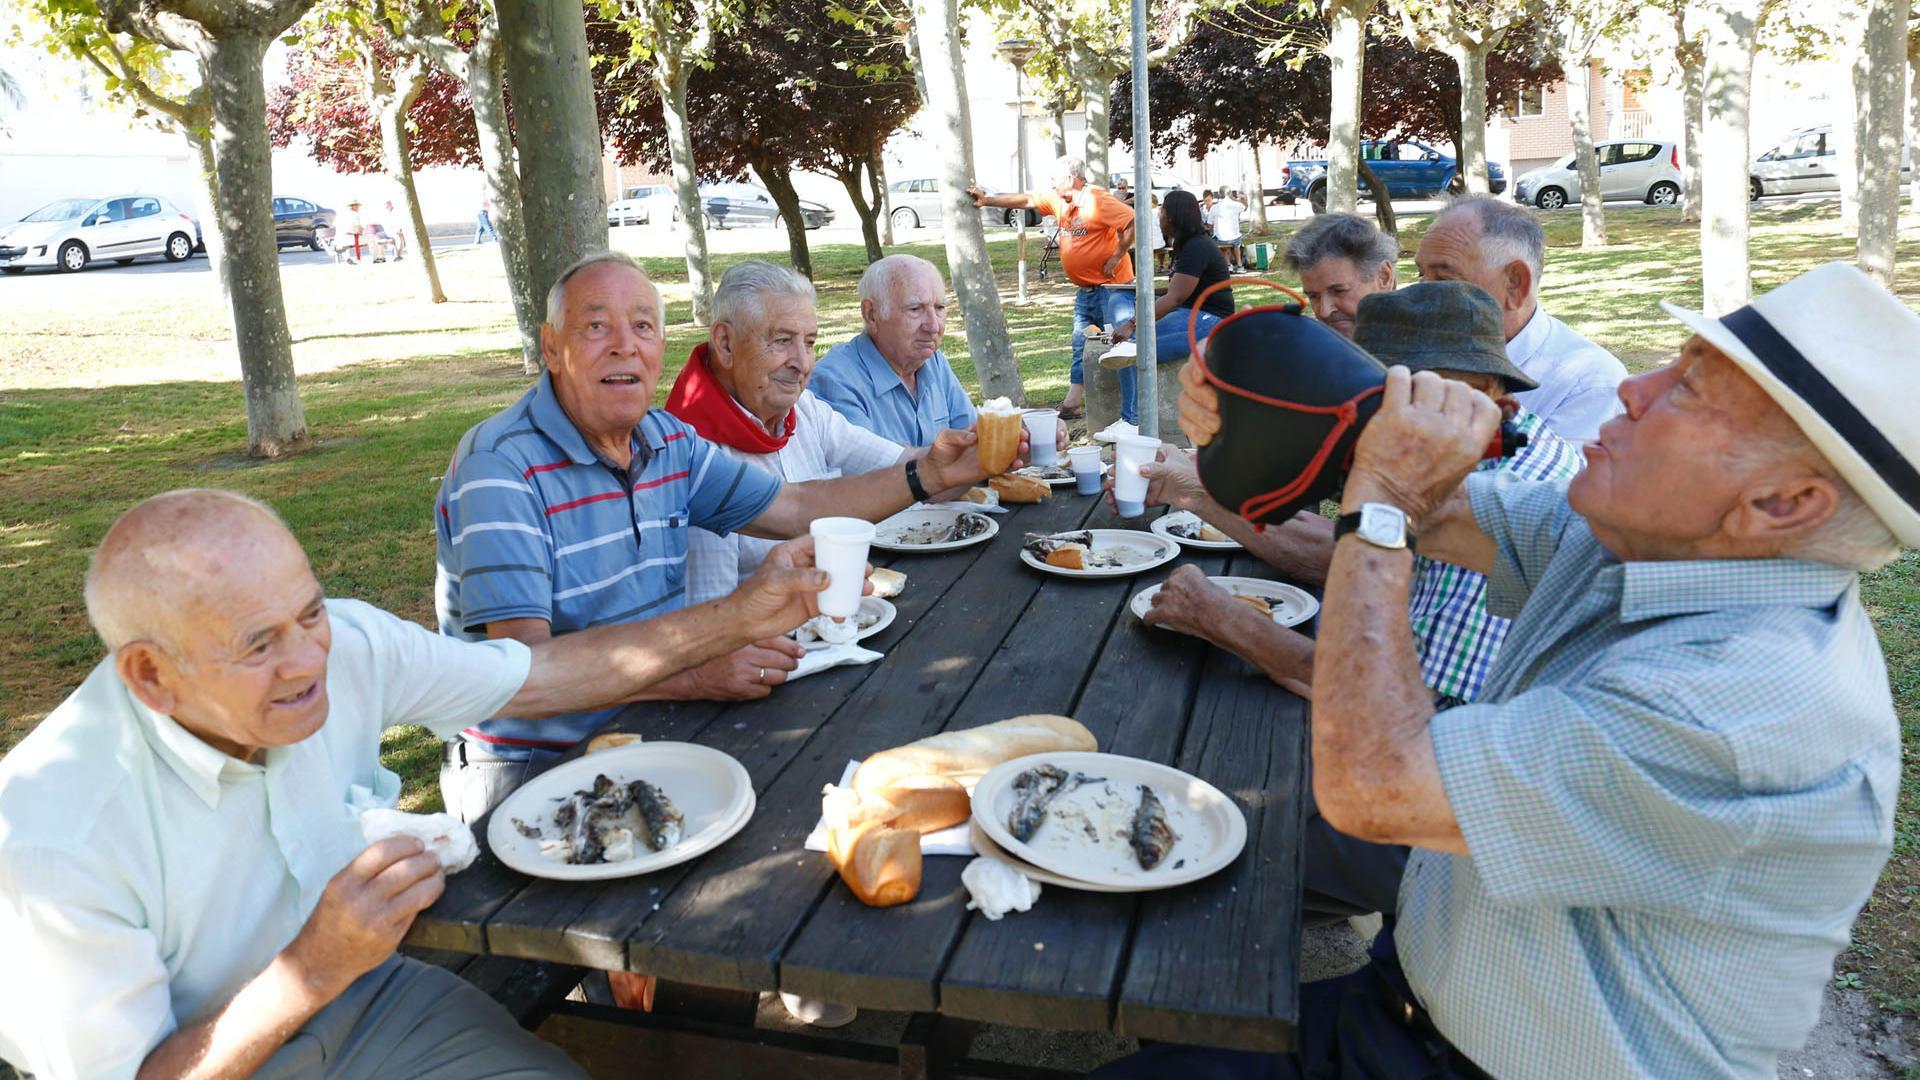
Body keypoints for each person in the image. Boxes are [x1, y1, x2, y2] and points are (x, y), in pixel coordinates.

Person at [1110, 260, 1912, 1078]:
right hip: (1398, 1010)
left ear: (1783, 505)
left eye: (1688, 388)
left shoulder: (1745, 704)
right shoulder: (1639, 546)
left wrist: (1380, 494)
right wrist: (1256, 404)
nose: (1634, 384)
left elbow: (1376, 783)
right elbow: (1443, 512)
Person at [0, 488, 837, 1079]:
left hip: (373, 1003)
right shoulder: (47, 840)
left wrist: (740, 615)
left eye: (312, 612)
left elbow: (536, 677)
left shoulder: (346, 648)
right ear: (150, 675)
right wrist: (314, 965)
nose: (310, 661)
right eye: (259, 645)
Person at [434, 252, 1000, 822]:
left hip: (649, 725)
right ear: (551, 347)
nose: (625, 345)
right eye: (597, 326)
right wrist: (695, 667)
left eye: (644, 326)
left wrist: (931, 475)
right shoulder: (499, 467)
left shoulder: (666, 442)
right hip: (530, 762)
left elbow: (795, 505)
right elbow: (518, 677)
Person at [1131, 281, 1584, 921]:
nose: (1367, 413)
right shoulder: (1491, 451)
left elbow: (1391, 720)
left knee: (1194, 822)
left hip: (1446, 826)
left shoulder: (1506, 478)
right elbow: (1356, 537)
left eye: (1390, 395)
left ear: (1480, 392)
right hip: (1447, 779)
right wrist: (1219, 458)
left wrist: (1223, 618)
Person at [675, 261, 1046, 604]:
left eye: (808, 342)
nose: (802, 364)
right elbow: (714, 617)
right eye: (781, 340)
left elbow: (897, 464)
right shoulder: (694, 452)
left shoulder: (803, 411)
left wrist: (974, 456)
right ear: (724, 344)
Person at [1416, 195, 1627, 439]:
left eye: (1444, 280)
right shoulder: (1412, 349)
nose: (1419, 294)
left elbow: (1554, 478)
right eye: (1421, 275)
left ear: (1515, 284)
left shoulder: (1589, 382)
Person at [968, 155, 1135, 421]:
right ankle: (1072, 403)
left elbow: (1131, 220)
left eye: (1055, 179)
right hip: (1086, 290)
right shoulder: (1061, 201)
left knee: (1120, 347)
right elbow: (1027, 200)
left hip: (1112, 289)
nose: (1051, 184)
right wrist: (987, 200)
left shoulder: (1096, 199)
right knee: (1079, 343)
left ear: (1070, 179)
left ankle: (1129, 414)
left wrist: (1117, 255)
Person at [811, 255, 979, 446]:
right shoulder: (834, 381)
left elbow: (973, 443)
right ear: (871, 314)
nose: (933, 326)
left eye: (940, 308)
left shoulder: (934, 362)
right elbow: (873, 468)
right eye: (915, 309)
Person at [1104, 190, 1233, 384]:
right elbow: (1178, 290)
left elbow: (1175, 298)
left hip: (1210, 317)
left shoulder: (1197, 247)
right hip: (1188, 309)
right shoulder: (1186, 244)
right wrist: (1142, 292)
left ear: (1173, 217)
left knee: (1137, 344)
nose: (1159, 215)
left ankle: (1132, 412)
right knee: (1120, 297)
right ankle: (1125, 337)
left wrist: (1132, 324)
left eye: (1162, 211)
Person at [1282, 212, 1399, 339]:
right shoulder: (1309, 351)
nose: (1324, 311)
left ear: (1384, 277)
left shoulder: (1418, 350)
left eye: (1338, 291)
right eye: (1314, 297)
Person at [1212, 190, 1246, 270]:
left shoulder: (1215, 207)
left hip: (1221, 240)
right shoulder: (1236, 205)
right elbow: (1245, 206)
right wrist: (1235, 199)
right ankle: (1240, 265)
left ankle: (1228, 265)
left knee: (1221, 242)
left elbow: (1209, 224)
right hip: (1235, 239)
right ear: (1230, 194)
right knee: (1236, 245)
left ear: (1219, 194)